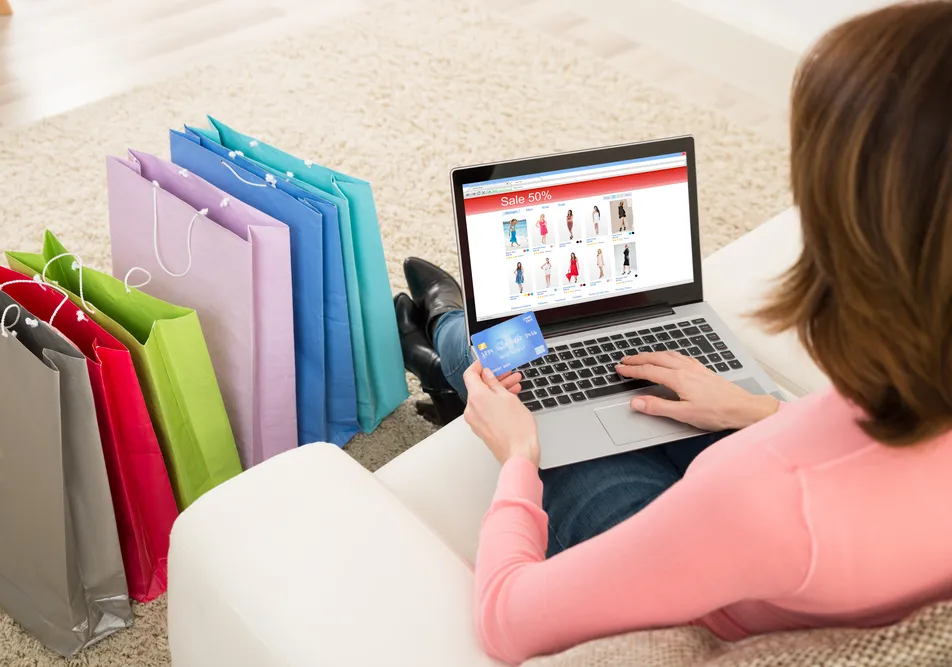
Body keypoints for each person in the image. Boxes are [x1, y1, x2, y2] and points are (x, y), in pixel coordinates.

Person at [394, 3, 952, 663]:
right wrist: (756, 408)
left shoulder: (757, 492)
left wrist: (517, 456)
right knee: (585, 371)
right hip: (793, 537)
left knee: (511, 371)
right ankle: (448, 338)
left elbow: (506, 616)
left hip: (719, 588)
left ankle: (447, 330)